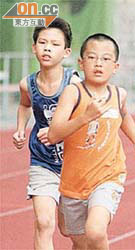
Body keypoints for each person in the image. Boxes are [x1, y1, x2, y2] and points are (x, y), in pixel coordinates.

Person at [48, 33, 135, 249]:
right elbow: (54, 134)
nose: (98, 64)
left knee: (95, 231)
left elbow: (124, 116)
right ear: (81, 63)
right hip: (74, 181)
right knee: (79, 241)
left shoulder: (118, 94)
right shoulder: (73, 93)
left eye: (105, 59)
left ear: (116, 66)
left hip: (108, 176)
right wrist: (85, 117)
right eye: (92, 58)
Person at [11, 17, 80, 250]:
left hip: (75, 163)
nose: (47, 48)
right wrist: (21, 129)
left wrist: (58, 130)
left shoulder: (75, 82)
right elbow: (24, 105)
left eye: (54, 44)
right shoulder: (27, 84)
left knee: (70, 230)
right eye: (42, 42)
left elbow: (85, 117)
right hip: (43, 161)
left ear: (66, 51)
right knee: (43, 222)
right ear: (34, 47)